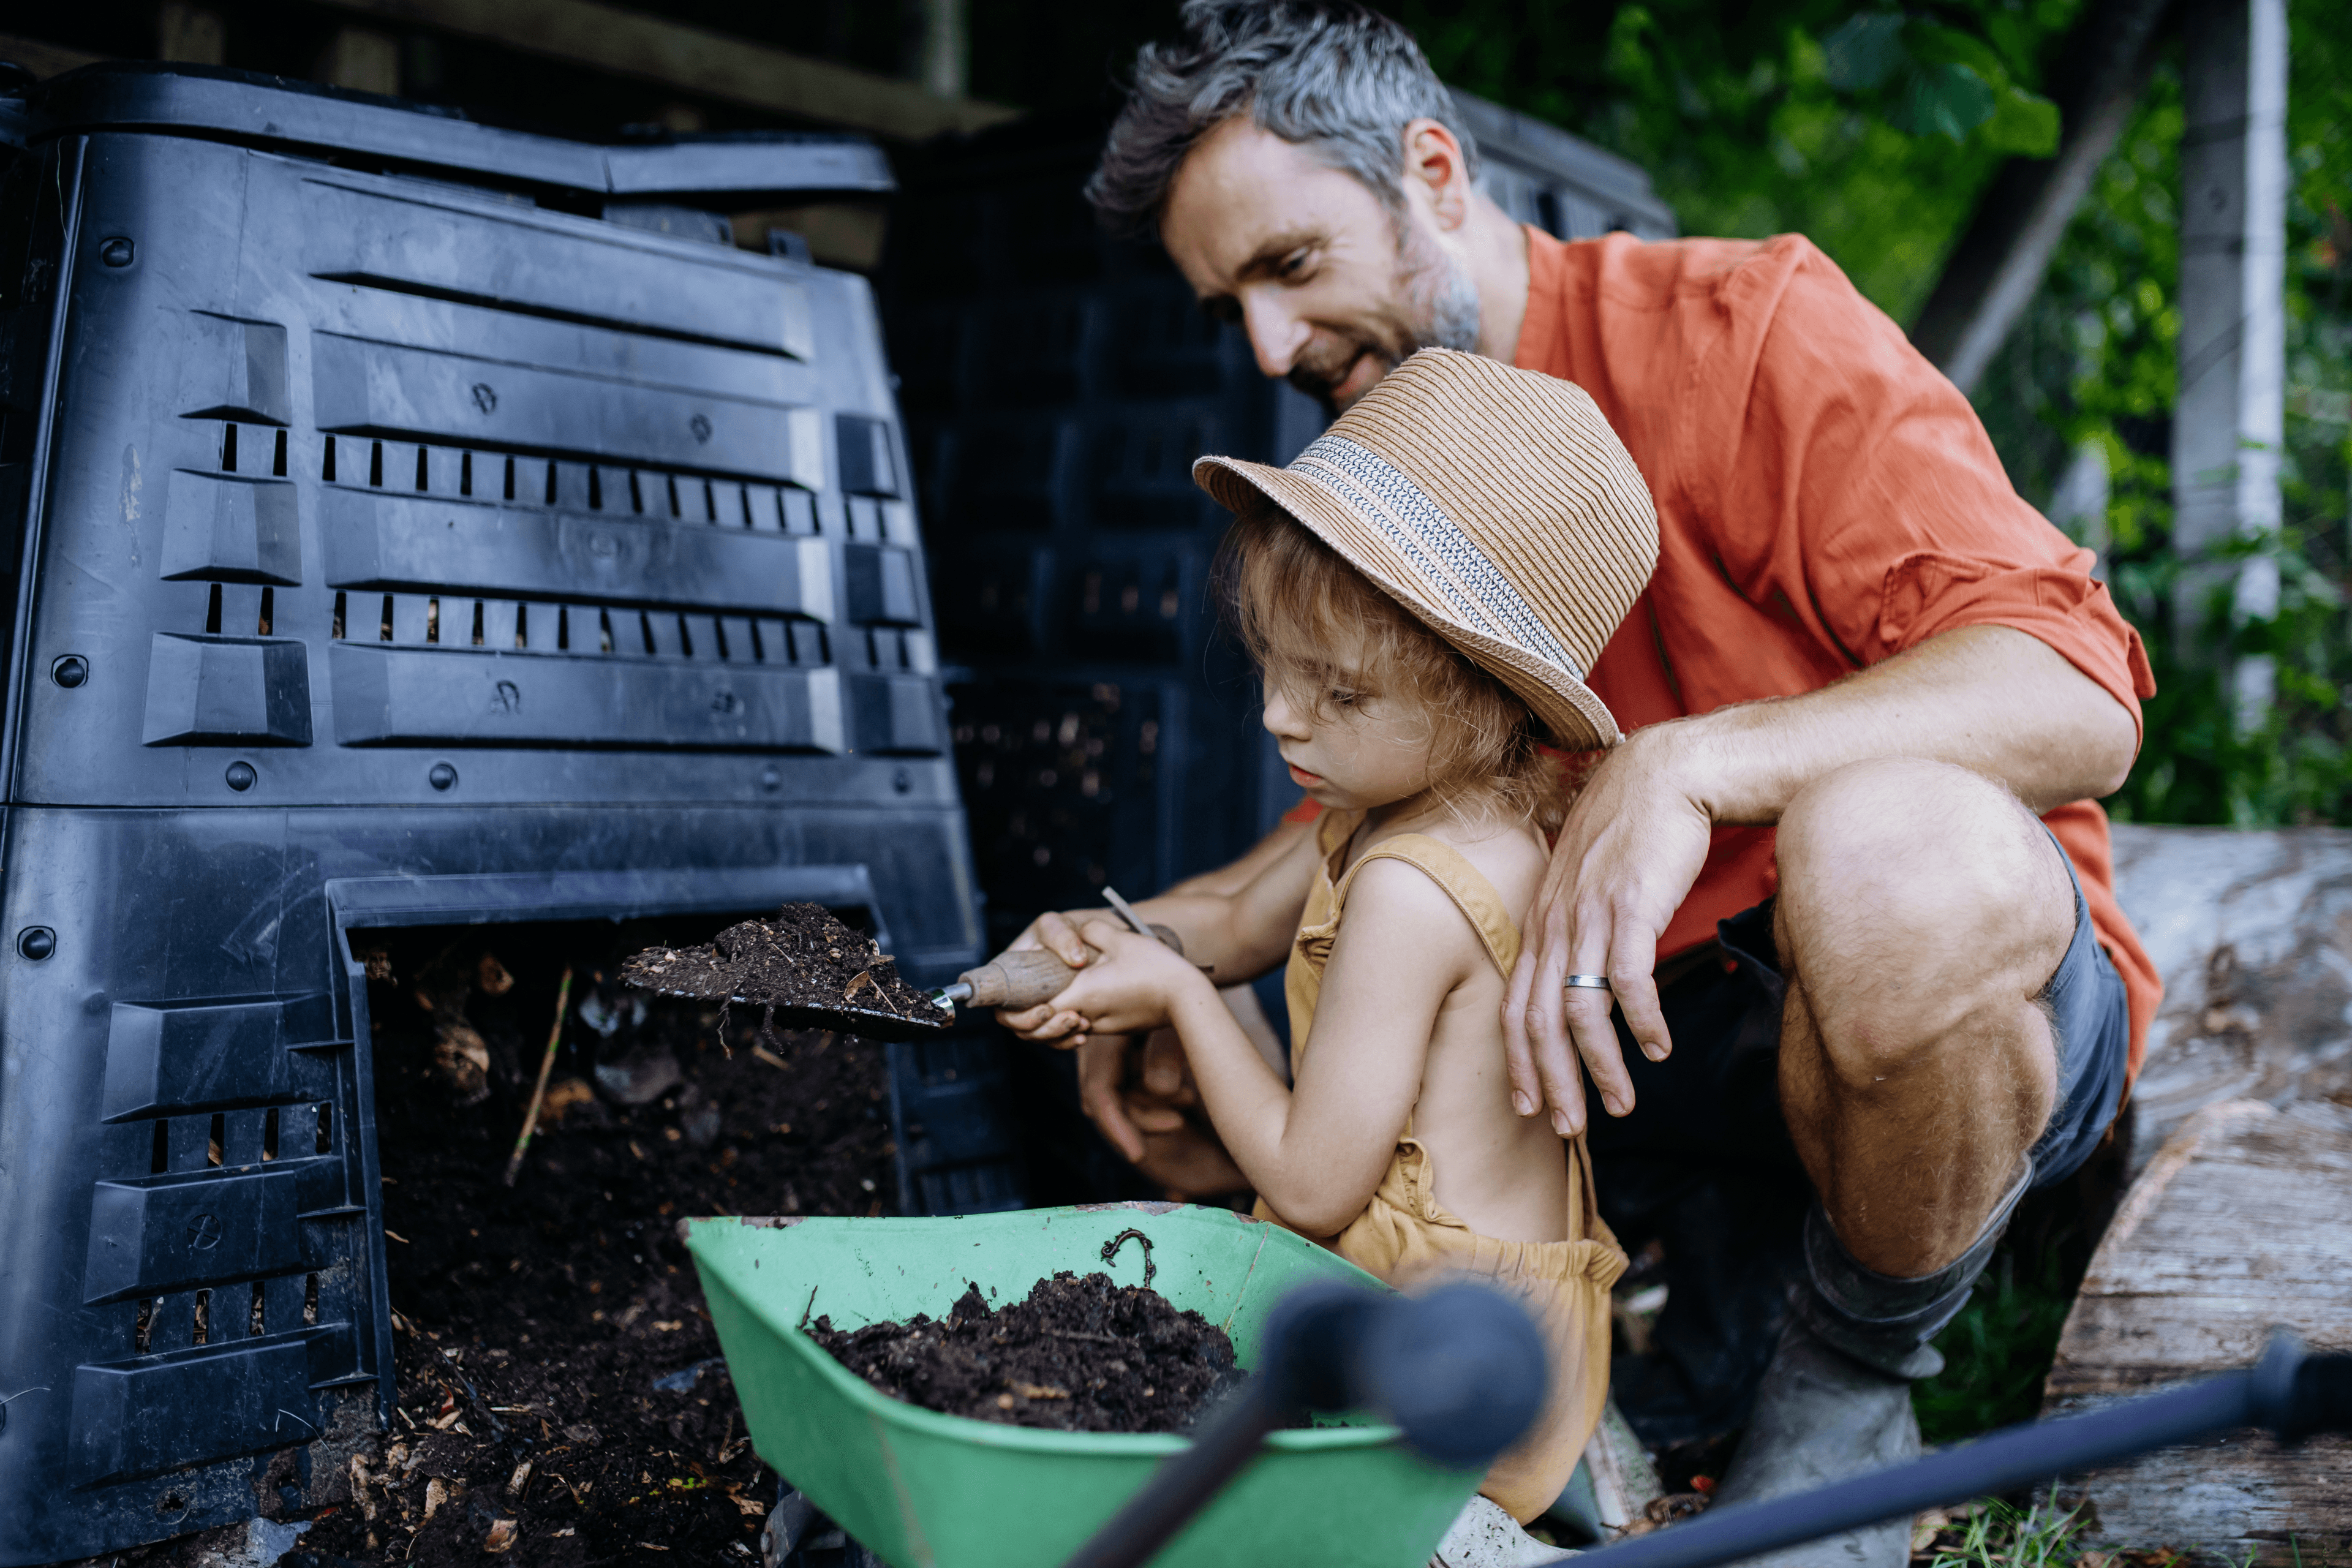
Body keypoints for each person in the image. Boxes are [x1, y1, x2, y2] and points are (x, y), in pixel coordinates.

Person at [998, 6, 2162, 1566]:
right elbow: (1315, 850)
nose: (1270, 351)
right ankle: (1641, 1364)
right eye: (1230, 311)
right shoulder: (1400, 470)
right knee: (1383, 963)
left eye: (1289, 267)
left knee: (1884, 851)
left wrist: (1692, 763)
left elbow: (2075, 688)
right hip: (1644, 1043)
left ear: (1433, 169)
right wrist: (1116, 956)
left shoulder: (1747, 331)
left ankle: (1856, 1375)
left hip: (1943, 1001)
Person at [1042, 347, 1649, 1530]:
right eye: (1274, 665)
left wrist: (1181, 994)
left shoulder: (1410, 890)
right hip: (1515, 1342)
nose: (1278, 714)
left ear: (1480, 695)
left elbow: (1317, 1191)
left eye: (1342, 694)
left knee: (1112, 1324)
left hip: (1433, 1372)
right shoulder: (1509, 819)